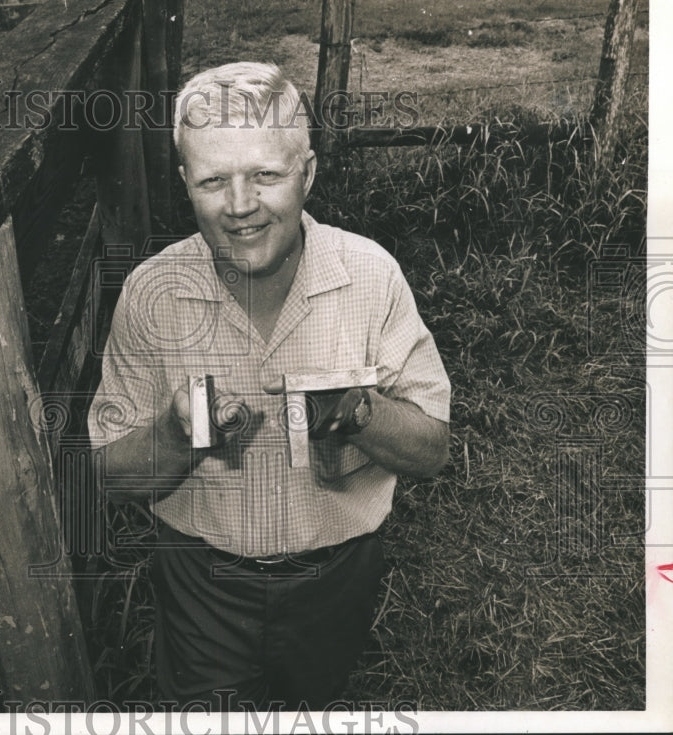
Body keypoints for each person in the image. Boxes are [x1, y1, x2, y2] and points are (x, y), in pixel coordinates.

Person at [88, 62, 450, 711]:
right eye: (213, 180)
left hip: (337, 574)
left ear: (306, 173)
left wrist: (359, 411)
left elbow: (431, 449)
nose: (240, 205)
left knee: (313, 702)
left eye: (265, 175)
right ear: (184, 185)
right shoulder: (151, 293)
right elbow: (114, 474)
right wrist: (180, 432)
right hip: (204, 580)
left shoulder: (372, 277)